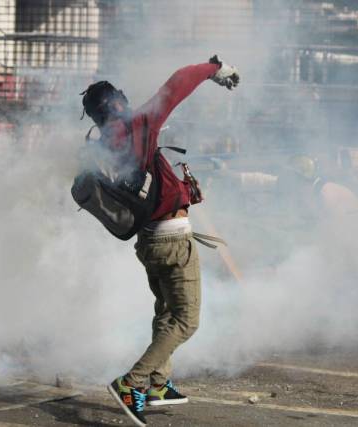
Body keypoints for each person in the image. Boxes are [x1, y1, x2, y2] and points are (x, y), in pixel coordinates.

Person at [80, 55, 239, 427]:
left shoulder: (102, 146)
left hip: (150, 241)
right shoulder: (134, 128)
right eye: (120, 97)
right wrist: (214, 69)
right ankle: (131, 383)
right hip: (171, 238)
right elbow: (175, 87)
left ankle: (157, 383)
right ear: (114, 104)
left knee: (167, 312)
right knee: (186, 320)